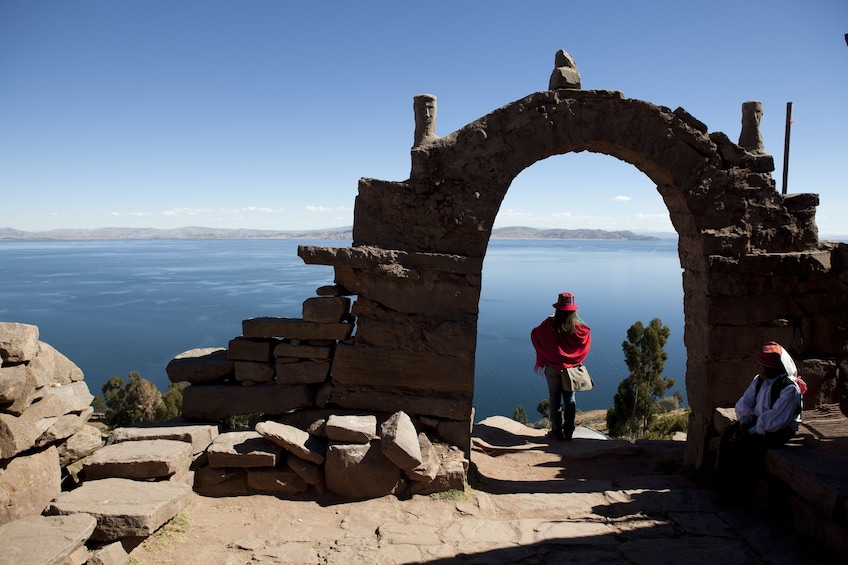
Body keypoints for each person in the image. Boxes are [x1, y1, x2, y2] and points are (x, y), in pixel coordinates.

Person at [715, 341, 806, 499]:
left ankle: (737, 493)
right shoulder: (759, 380)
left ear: (772, 370)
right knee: (729, 436)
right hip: (757, 422)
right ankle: (721, 484)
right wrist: (743, 423)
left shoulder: (789, 389)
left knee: (747, 448)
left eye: (762, 366)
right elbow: (746, 402)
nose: (758, 369)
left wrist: (750, 432)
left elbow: (776, 419)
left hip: (777, 430)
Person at [530, 292, 592, 441]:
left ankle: (556, 432)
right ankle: (569, 432)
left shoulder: (549, 324)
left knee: (554, 399)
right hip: (571, 370)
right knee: (569, 400)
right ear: (573, 310)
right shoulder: (578, 327)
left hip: (552, 368)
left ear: (557, 309)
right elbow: (586, 337)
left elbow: (535, 334)